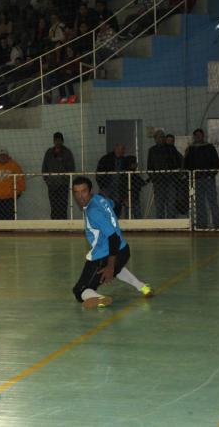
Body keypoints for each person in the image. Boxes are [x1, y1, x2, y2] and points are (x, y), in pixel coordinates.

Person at [71, 176, 153, 309]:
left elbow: (113, 237)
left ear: (90, 190)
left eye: (84, 191)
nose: (80, 196)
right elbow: (114, 205)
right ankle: (143, 287)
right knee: (118, 268)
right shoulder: (101, 199)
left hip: (103, 255)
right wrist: (122, 201)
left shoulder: (93, 211)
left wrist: (110, 266)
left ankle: (99, 299)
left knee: (80, 291)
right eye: (77, 192)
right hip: (123, 250)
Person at [184, 128, 219, 228]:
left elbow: (216, 162)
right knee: (199, 203)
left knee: (212, 201)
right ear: (194, 137)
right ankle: (202, 224)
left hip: (208, 178)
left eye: (200, 135)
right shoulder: (190, 149)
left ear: (203, 136)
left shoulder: (209, 147)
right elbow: (186, 164)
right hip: (196, 179)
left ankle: (217, 223)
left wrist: (212, 174)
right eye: (196, 135)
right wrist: (191, 176)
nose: (198, 137)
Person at [42, 132, 75, 219]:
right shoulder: (49, 152)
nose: (57, 142)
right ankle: (54, 226)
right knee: (53, 206)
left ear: (62, 141)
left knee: (63, 206)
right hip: (52, 185)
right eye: (56, 140)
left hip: (63, 185)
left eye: (59, 140)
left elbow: (71, 169)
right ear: (53, 141)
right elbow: (44, 168)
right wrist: (48, 180)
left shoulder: (67, 153)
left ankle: (63, 226)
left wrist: (65, 180)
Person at [96, 143, 128, 217]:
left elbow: (126, 177)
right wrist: (102, 187)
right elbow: (99, 174)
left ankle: (115, 225)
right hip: (107, 187)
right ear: (115, 148)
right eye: (121, 149)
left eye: (123, 149)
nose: (122, 151)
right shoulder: (106, 159)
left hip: (119, 188)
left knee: (117, 208)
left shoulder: (124, 160)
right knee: (106, 208)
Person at [0, 149, 25, 220]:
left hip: (10, 197)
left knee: (9, 217)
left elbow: (20, 179)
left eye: (4, 155)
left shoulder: (14, 165)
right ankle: (0, 230)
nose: (2, 157)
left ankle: (10, 230)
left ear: (8, 156)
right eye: (1, 156)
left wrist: (17, 193)